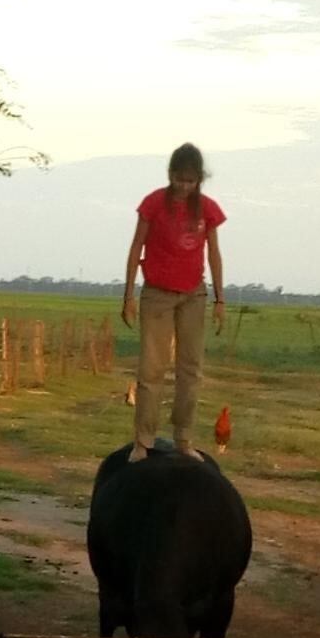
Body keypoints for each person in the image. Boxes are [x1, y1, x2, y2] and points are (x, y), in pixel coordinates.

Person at [121, 142, 226, 462]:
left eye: (191, 181)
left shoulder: (207, 209)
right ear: (170, 176)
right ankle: (143, 441)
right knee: (151, 370)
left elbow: (214, 253)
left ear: (199, 180)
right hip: (157, 293)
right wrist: (128, 295)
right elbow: (136, 245)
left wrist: (221, 298)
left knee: (190, 370)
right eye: (179, 179)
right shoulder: (153, 204)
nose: (184, 186)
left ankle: (184, 439)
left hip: (194, 294)